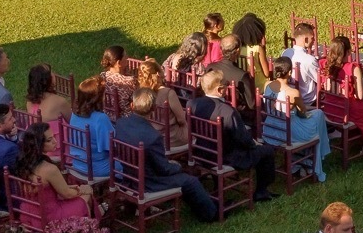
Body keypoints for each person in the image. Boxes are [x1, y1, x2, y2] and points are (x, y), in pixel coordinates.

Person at [115, 87, 219, 221]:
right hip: (149, 182)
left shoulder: (120, 124)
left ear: (132, 105)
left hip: (128, 176)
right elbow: (164, 169)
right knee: (191, 180)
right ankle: (211, 215)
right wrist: (177, 166)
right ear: (153, 110)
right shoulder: (153, 137)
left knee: (186, 177)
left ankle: (206, 205)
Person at [189, 69, 278, 200]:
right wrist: (255, 144)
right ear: (220, 90)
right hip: (227, 156)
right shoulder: (227, 111)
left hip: (201, 152)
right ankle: (261, 191)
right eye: (225, 85)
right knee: (267, 150)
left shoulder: (193, 104)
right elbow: (243, 139)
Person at [8, 122, 93, 226]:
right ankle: (90, 227)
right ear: (38, 144)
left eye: (53, 137)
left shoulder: (22, 162)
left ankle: (94, 217)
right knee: (86, 195)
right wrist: (83, 190)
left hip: (28, 212)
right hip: (49, 217)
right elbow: (67, 194)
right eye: (49, 140)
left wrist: (71, 188)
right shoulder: (50, 169)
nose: (55, 141)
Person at [263, 57, 332, 182]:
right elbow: (303, 112)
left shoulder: (267, 85)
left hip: (269, 128)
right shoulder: (293, 92)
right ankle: (313, 162)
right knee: (318, 115)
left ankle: (304, 162)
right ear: (289, 72)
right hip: (286, 131)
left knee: (316, 117)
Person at [325, 35, 363, 153]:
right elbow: (360, 96)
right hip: (346, 111)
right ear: (349, 51)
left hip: (330, 109)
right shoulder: (352, 68)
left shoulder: (326, 65)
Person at [136, 60, 189, 149]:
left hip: (150, 137)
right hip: (171, 139)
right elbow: (181, 119)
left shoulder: (140, 93)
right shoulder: (168, 93)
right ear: (157, 74)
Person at [68, 77, 114, 179]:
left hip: (78, 164)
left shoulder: (74, 114)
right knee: (129, 163)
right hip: (98, 168)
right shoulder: (101, 118)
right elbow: (112, 146)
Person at [205, 33, 257, 112]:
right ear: (238, 50)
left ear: (221, 49)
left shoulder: (210, 67)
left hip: (212, 108)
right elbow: (252, 104)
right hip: (238, 114)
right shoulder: (242, 75)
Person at [285, 22, 320, 107]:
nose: (314, 40)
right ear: (306, 39)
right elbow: (320, 80)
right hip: (307, 101)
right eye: (313, 38)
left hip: (289, 97)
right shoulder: (309, 60)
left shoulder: (286, 52)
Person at [233, 13, 271, 90]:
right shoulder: (257, 48)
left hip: (243, 84)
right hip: (259, 84)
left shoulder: (236, 48)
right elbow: (266, 73)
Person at [99, 45, 136, 117]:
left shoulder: (102, 76)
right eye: (125, 56)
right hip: (125, 117)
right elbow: (136, 100)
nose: (127, 58)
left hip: (105, 114)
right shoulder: (129, 81)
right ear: (119, 63)